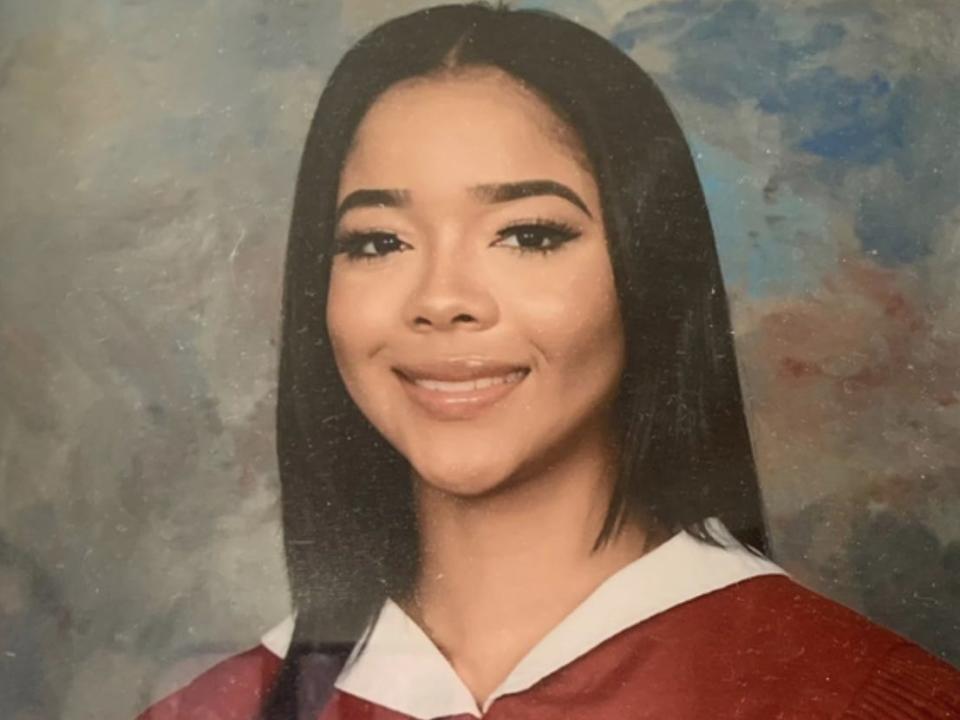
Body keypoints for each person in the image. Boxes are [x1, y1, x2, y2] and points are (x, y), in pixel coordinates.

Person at [137, 3, 960, 719]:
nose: (442, 297)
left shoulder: (859, 699)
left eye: (528, 235)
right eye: (378, 241)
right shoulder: (219, 712)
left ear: (649, 270)